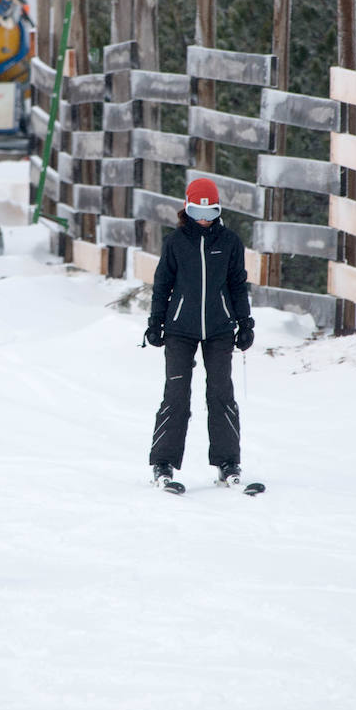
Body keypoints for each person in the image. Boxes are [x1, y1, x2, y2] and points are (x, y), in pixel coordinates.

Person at [143, 177, 255, 490]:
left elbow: (237, 285)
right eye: (195, 212)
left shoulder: (230, 242)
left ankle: (227, 462)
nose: (203, 219)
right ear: (186, 209)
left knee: (221, 394)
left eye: (210, 212)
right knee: (176, 395)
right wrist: (156, 322)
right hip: (180, 330)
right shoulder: (176, 242)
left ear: (219, 211)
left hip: (219, 329)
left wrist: (245, 323)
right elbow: (162, 284)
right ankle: (162, 462)